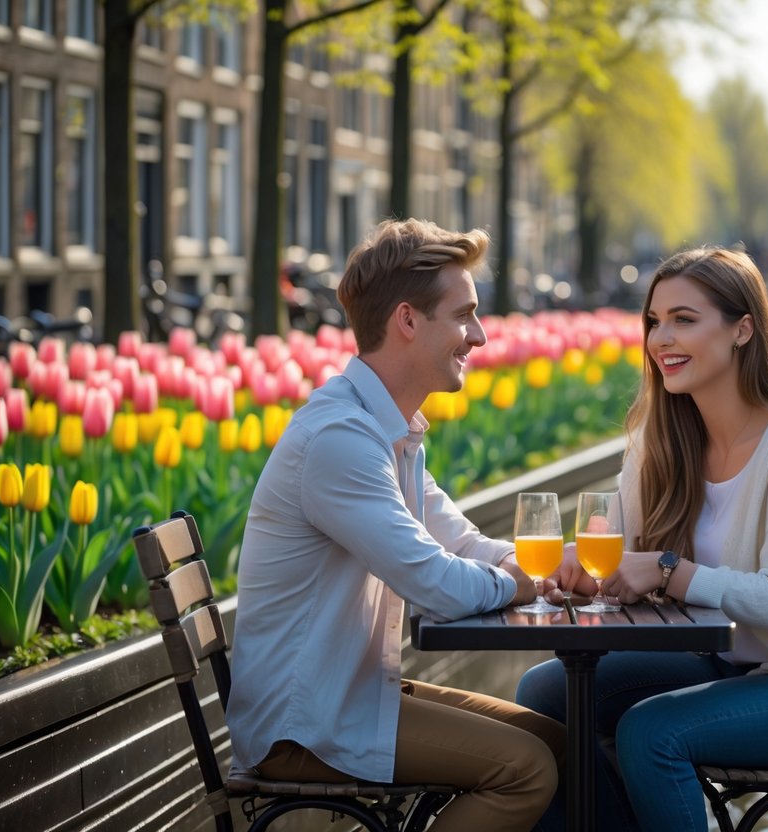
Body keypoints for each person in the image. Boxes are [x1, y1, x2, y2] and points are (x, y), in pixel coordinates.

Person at [517, 245, 768, 831]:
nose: (661, 338)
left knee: (650, 732)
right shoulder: (659, 439)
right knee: (543, 695)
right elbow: (616, 553)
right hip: (722, 663)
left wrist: (668, 570)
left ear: (743, 330)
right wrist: (569, 566)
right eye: (654, 322)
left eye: (684, 320)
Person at [227, 218, 563, 832]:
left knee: (558, 740)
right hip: (308, 723)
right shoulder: (341, 440)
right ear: (408, 320)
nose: (480, 336)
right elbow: (434, 580)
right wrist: (521, 583)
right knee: (530, 769)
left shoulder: (387, 431)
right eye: (463, 316)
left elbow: (457, 541)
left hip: (352, 694)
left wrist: (545, 566)